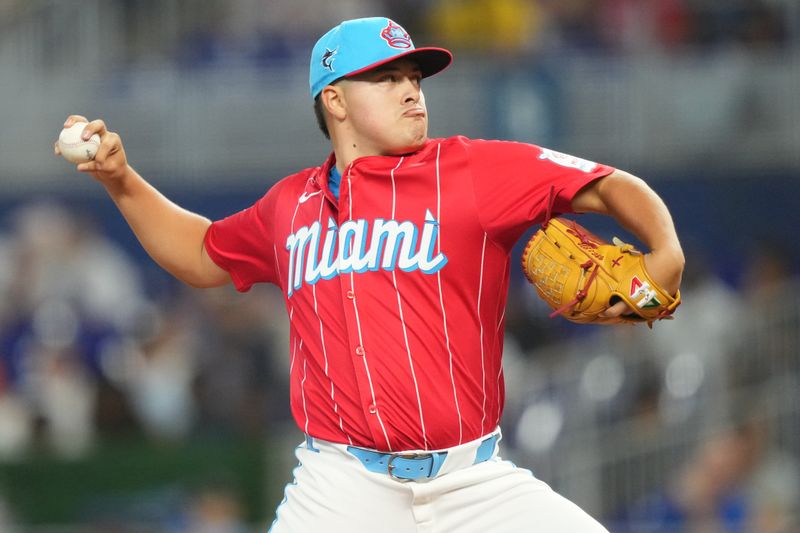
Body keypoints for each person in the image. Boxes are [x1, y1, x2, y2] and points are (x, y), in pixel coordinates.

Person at [55, 16, 684, 533]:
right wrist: (121, 180)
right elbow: (199, 252)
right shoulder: (288, 207)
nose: (412, 90)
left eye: (415, 76)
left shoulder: (471, 170)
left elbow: (607, 185)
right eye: (387, 78)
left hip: (474, 482)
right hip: (343, 486)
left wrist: (664, 251)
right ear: (335, 100)